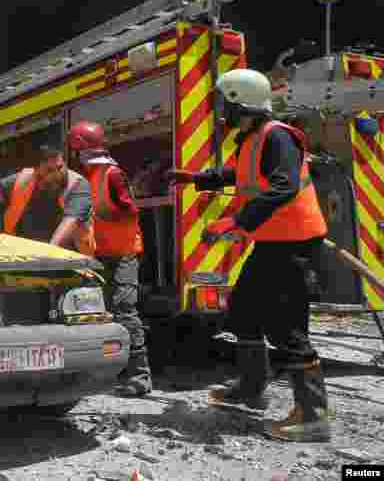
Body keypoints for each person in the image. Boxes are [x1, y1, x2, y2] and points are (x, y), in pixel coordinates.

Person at [168, 68, 331, 442]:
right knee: (243, 309)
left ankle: (314, 417)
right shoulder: (253, 138)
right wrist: (196, 178)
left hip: (294, 247)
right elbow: (240, 175)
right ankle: (251, 389)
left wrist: (237, 222)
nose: (221, 111)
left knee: (288, 329)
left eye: (225, 103)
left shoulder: (278, 138)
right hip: (274, 244)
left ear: (241, 103)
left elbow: (284, 185)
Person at [0, 145, 94, 324]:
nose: (57, 173)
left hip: (69, 261)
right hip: (29, 256)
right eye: (49, 170)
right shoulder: (24, 179)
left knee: (68, 316)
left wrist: (49, 252)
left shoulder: (78, 185)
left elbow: (70, 222)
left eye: (60, 167)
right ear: (36, 170)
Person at [67, 120, 151, 397]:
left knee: (125, 310)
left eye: (77, 149)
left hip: (123, 252)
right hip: (101, 254)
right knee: (100, 313)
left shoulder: (111, 174)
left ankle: (140, 377)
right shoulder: (88, 176)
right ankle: (109, 373)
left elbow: (131, 211)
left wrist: (98, 216)